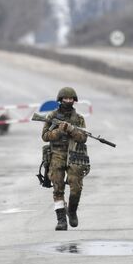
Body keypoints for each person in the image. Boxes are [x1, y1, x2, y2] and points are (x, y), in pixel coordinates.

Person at [41, 87, 90, 230]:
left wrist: (71, 130)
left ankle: (72, 211)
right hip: (56, 154)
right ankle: (61, 219)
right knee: (57, 187)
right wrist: (59, 131)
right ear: (60, 100)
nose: (68, 101)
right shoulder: (51, 116)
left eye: (70, 99)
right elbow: (45, 136)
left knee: (76, 187)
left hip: (74, 154)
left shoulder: (79, 118)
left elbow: (83, 138)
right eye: (65, 99)